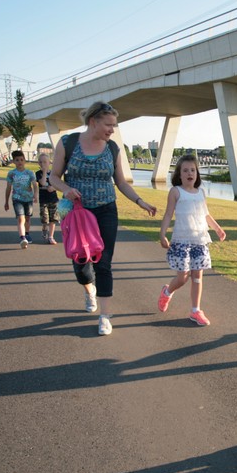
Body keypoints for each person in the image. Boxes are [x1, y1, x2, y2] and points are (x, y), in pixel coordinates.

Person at [48, 101, 157, 336]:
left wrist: (140, 201)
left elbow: (121, 182)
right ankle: (89, 290)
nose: (112, 130)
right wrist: (66, 189)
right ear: (93, 121)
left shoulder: (113, 148)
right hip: (77, 213)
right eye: (108, 125)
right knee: (80, 264)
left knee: (104, 263)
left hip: (106, 210)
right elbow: (53, 177)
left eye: (114, 125)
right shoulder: (68, 143)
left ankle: (105, 316)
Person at [157, 154, 226, 326]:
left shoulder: (201, 192)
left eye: (193, 170)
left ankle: (195, 310)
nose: (190, 173)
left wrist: (217, 228)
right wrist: (162, 234)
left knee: (197, 276)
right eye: (185, 170)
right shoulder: (176, 192)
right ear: (179, 174)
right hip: (182, 241)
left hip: (199, 240)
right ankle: (167, 292)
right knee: (182, 278)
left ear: (197, 173)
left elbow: (206, 214)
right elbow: (168, 214)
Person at [4, 150, 39, 248]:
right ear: (13, 161)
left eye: (21, 159)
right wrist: (6, 202)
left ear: (24, 161)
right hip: (17, 199)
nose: (20, 162)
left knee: (27, 218)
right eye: (17, 160)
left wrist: (35, 195)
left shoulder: (29, 173)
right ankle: (23, 238)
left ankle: (27, 233)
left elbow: (35, 185)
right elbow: (8, 188)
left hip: (28, 199)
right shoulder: (11, 173)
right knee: (20, 218)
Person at [35, 153, 60, 244]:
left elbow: (58, 185)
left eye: (45, 162)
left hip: (53, 199)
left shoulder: (54, 174)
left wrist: (53, 188)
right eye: (41, 162)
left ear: (49, 162)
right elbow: (42, 182)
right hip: (43, 200)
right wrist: (45, 172)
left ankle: (51, 237)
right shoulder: (38, 173)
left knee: (53, 219)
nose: (43, 164)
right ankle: (44, 228)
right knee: (45, 219)